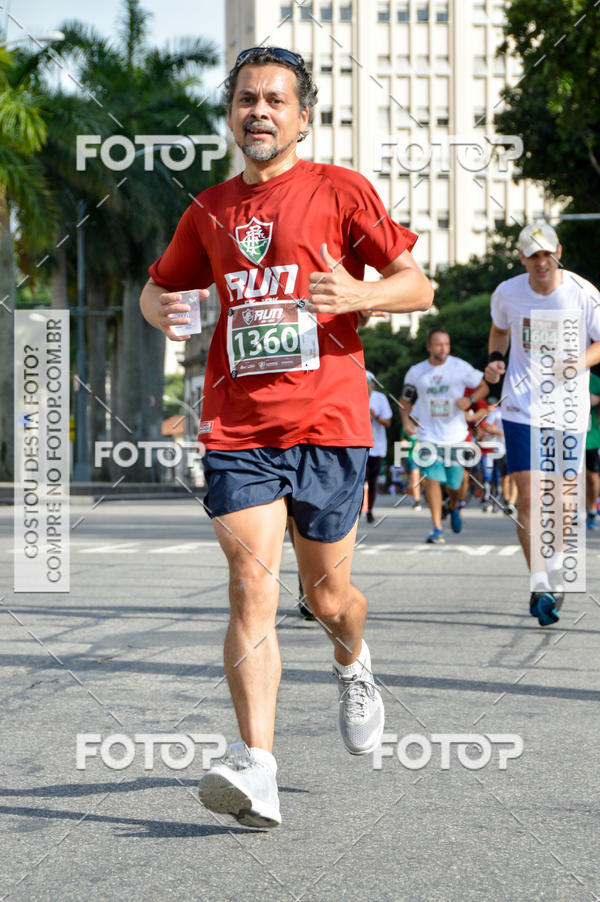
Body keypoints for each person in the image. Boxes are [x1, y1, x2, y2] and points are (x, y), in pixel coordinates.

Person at [140, 46, 433, 828]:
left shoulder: (341, 191)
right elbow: (159, 286)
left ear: (303, 115)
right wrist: (159, 311)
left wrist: (364, 292)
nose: (259, 111)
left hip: (330, 426)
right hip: (238, 428)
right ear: (232, 112)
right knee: (249, 587)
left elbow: (418, 283)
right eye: (245, 99)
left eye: (275, 99)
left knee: (327, 598)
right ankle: (258, 765)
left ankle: (352, 660)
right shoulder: (207, 209)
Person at [485, 223, 600, 625]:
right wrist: (495, 358)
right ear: (522, 259)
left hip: (568, 412)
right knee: (530, 497)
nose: (541, 262)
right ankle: (541, 582)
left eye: (547, 254)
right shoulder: (508, 293)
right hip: (521, 409)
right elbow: (499, 329)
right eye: (532, 255)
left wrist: (578, 362)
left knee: (565, 502)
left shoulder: (583, 294)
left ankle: (551, 565)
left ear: (558, 252)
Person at [399, 328, 488, 544]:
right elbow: (405, 400)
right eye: (439, 344)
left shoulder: (460, 367)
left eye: (447, 344)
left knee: (457, 485)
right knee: (432, 481)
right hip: (428, 435)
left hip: (456, 436)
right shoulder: (416, 372)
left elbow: (484, 386)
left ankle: (454, 506)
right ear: (429, 347)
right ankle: (437, 528)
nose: (444, 348)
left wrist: (470, 399)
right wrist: (406, 422)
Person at [365, 371, 393, 523]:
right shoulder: (354, 397)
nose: (366, 385)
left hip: (377, 446)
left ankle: (370, 509)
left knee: (372, 479)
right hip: (359, 445)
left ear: (373, 383)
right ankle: (356, 510)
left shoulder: (379, 399)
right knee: (359, 479)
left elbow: (388, 422)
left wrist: (375, 416)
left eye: (369, 382)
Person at [586, 372, 600, 529]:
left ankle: (592, 510)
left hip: (591, 438)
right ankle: (573, 511)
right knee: (572, 476)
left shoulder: (595, 381)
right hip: (568, 437)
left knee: (592, 476)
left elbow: (594, 400)